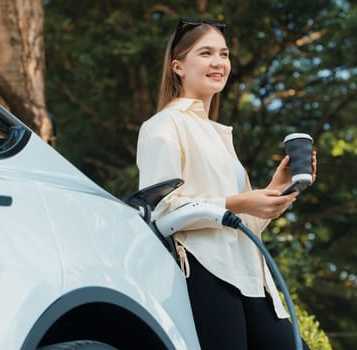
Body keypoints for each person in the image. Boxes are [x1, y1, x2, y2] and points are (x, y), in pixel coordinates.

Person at [136, 17, 317, 349]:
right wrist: (238, 202)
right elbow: (160, 210)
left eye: (224, 54)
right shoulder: (163, 125)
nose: (218, 63)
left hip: (249, 275)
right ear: (178, 66)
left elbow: (241, 224)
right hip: (205, 272)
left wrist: (276, 189)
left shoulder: (217, 136)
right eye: (205, 53)